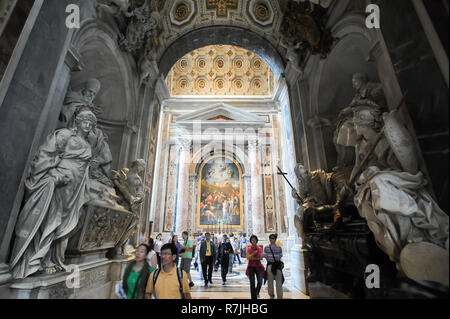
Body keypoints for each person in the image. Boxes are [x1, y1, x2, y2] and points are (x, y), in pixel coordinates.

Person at [10, 110, 98, 279]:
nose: (88, 126)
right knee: (51, 218)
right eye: (85, 121)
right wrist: (53, 174)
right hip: (60, 182)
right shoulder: (65, 135)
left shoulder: (87, 144)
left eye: (91, 124)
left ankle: (50, 257)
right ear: (78, 121)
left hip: (75, 188)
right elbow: (46, 154)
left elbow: (85, 167)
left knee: (63, 222)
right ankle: (36, 258)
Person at [264, 234, 284, 299]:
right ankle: (271, 295)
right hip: (270, 265)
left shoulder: (279, 248)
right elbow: (266, 256)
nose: (271, 239)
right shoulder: (266, 248)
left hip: (277, 266)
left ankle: (280, 296)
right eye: (270, 238)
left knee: (279, 282)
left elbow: (280, 255)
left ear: (275, 239)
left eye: (272, 238)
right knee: (270, 282)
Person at [246, 235, 265, 299]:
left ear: (256, 241)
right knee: (252, 282)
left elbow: (261, 257)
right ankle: (253, 297)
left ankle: (256, 292)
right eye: (252, 240)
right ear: (251, 241)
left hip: (258, 266)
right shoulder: (249, 248)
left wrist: (253, 257)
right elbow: (248, 257)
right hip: (251, 266)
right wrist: (254, 253)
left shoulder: (259, 248)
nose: (253, 241)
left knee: (260, 281)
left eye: (254, 240)